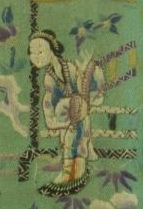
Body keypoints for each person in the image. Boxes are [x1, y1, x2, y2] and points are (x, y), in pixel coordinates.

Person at [28, 30, 104, 196]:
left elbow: (84, 90)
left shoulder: (69, 67)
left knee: (77, 136)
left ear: (52, 49)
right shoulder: (49, 77)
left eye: (40, 51)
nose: (36, 56)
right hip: (65, 117)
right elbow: (48, 101)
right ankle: (69, 172)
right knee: (69, 137)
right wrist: (57, 121)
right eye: (32, 53)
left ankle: (77, 172)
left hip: (80, 112)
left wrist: (79, 107)